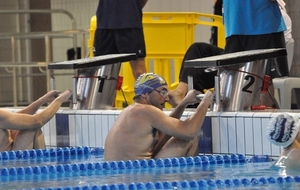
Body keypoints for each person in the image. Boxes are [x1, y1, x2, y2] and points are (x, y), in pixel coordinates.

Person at [169, 0, 291, 108]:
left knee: (264, 81)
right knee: (199, 51)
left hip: (261, 24)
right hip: (235, 25)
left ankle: (263, 118)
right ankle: (180, 92)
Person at [104, 73, 214, 161]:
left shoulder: (134, 111)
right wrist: (205, 102)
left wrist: (184, 103)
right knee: (189, 139)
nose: (166, 98)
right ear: (144, 94)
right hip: (140, 177)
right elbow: (190, 132)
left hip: (125, 175)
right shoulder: (146, 111)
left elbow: (166, 132)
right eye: (162, 92)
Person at [0, 89, 72, 151]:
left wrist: (42, 100)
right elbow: (37, 121)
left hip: (7, 160)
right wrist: (60, 100)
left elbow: (14, 119)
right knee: (32, 127)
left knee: (27, 124)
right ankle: (42, 163)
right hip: (10, 162)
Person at [94, 0, 148, 80]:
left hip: (130, 23)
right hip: (105, 24)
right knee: (103, 74)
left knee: (139, 71)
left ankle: (146, 91)